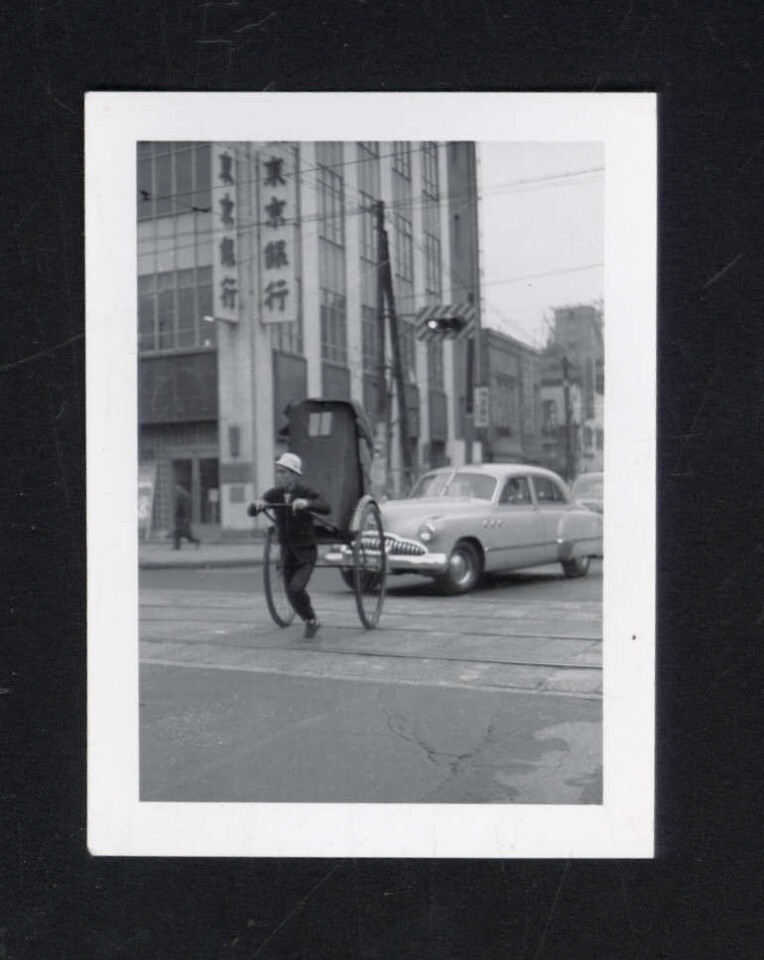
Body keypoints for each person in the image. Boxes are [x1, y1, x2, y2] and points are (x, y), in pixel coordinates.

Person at [248, 452, 330, 639]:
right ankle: (311, 621)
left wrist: (306, 503)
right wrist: (258, 504)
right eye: (278, 471)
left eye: (283, 472)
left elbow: (325, 507)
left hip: (306, 552)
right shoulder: (274, 494)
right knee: (290, 593)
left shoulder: (305, 492)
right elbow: (251, 511)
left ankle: (311, 618)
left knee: (296, 589)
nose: (279, 476)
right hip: (287, 553)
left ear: (294, 474)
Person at [173, 483, 200, 550]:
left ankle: (196, 540)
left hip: (182, 517)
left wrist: (186, 517)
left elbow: (186, 507)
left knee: (186, 534)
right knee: (178, 532)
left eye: (177, 488)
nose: (176, 489)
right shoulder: (183, 495)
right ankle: (177, 546)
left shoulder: (183, 495)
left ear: (180, 488)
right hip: (181, 517)